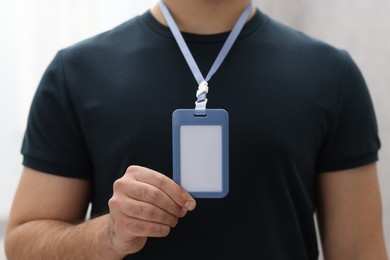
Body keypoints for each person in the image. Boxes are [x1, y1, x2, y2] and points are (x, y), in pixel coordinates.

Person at [4, 0, 388, 259]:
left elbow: (361, 253)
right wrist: (108, 235)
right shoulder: (75, 72)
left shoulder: (332, 75)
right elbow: (22, 242)